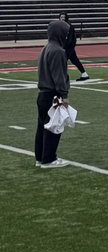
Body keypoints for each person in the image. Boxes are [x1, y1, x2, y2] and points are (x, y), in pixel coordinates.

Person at [34, 19, 73, 169]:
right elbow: (59, 76)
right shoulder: (58, 51)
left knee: (42, 126)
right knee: (54, 126)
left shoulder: (46, 48)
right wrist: (64, 95)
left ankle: (40, 157)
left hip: (43, 93)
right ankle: (49, 159)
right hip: (53, 94)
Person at [58, 13, 89, 82]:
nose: (62, 18)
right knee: (75, 61)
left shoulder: (69, 26)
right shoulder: (60, 26)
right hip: (67, 47)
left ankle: (65, 77)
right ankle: (84, 74)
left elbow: (70, 39)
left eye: (63, 17)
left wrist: (66, 47)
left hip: (68, 48)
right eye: (61, 17)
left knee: (63, 62)